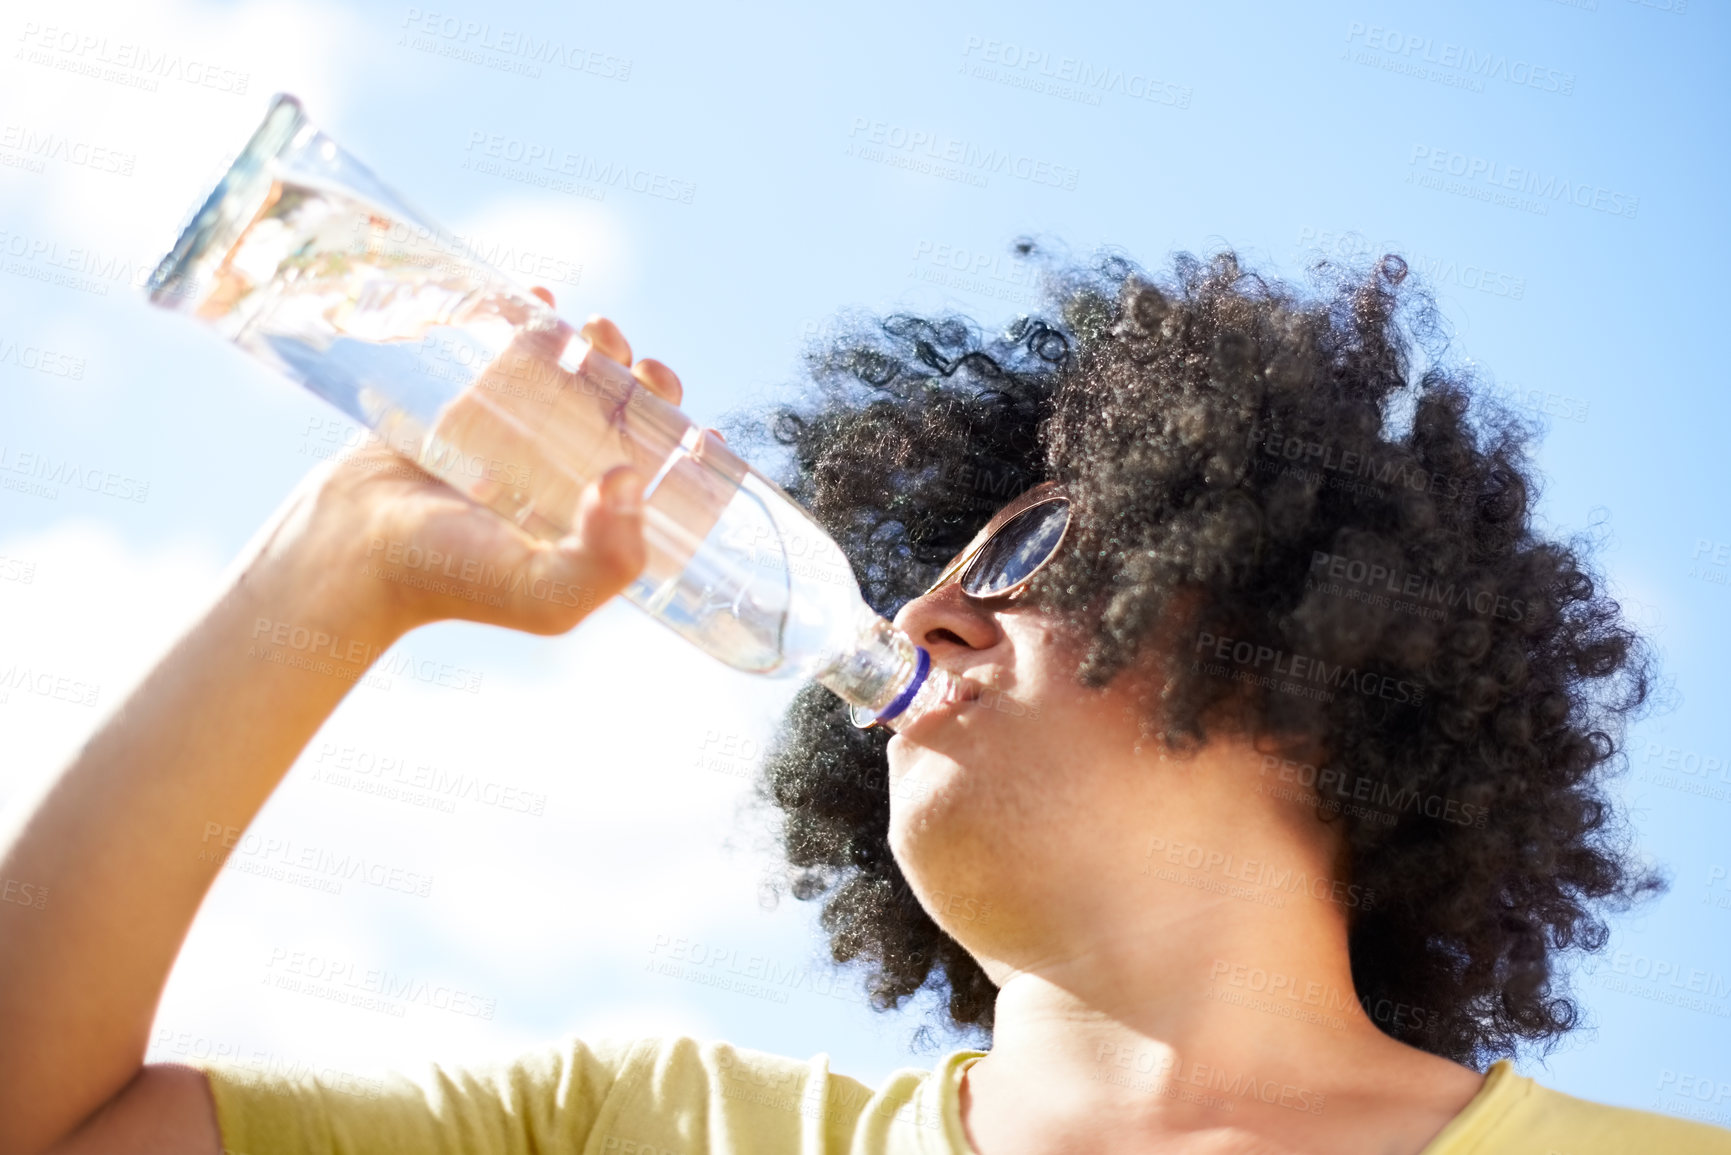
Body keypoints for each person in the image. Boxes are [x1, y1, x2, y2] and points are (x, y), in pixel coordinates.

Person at [1, 252, 1725, 1155]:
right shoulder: (638, 1133)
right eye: (934, 566)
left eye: (1032, 546)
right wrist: (338, 567)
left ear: (1316, 642)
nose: (924, 616)